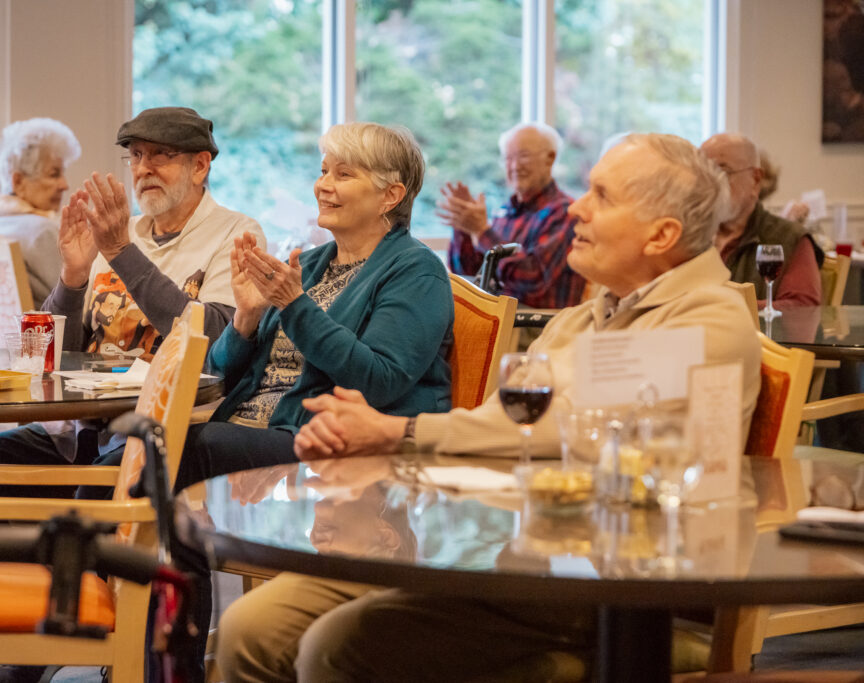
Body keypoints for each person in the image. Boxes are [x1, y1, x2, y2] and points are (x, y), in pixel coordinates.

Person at [216, 133, 763, 683]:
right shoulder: (582, 319)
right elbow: (506, 424)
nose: (576, 207)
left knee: (338, 647)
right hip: (507, 553)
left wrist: (396, 431)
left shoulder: (707, 322)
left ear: (662, 235)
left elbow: (565, 430)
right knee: (253, 627)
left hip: (599, 584)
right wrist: (385, 435)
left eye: (602, 196)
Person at [0, 106, 264, 499]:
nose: (144, 169)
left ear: (200, 166)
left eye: (161, 155)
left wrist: (122, 253)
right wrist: (72, 278)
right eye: (136, 155)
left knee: (86, 499)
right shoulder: (121, 231)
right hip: (77, 431)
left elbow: (215, 340)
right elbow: (45, 354)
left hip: (157, 434)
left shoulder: (235, 233)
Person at [173, 120, 454, 492]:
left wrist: (294, 305)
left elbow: (378, 382)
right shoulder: (307, 265)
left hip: (325, 443)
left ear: (390, 196)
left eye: (343, 174)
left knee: (180, 448)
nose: (323, 185)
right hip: (247, 430)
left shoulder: (417, 272)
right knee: (143, 443)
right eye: (323, 171)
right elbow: (218, 377)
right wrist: (246, 318)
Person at [442, 122, 586, 308]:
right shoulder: (505, 212)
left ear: (550, 158)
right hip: (497, 317)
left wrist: (482, 231)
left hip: (536, 322)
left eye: (523, 156)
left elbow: (533, 279)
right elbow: (470, 275)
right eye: (508, 158)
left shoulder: (565, 212)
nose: (515, 166)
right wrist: (465, 229)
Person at [700, 133, 823, 309]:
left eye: (722, 172)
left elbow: (802, 310)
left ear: (756, 179)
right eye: (703, 173)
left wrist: (725, 305)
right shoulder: (689, 235)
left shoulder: (789, 237)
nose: (711, 184)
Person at [0, 117, 81, 304]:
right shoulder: (42, 231)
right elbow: (77, 302)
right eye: (54, 174)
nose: (64, 185)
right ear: (18, 181)